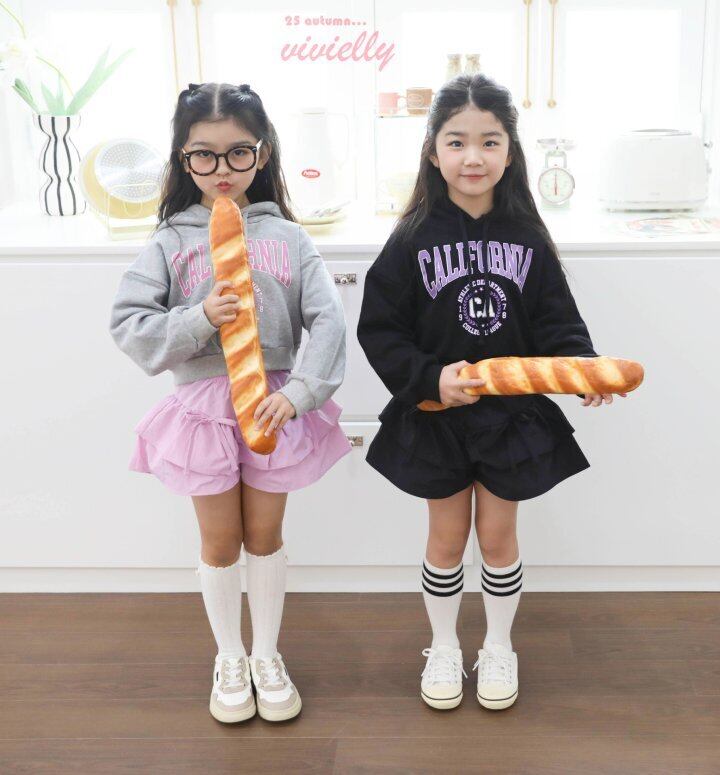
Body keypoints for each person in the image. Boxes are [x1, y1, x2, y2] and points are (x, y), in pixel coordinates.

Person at [357, 74, 627, 712]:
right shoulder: (410, 238)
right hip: (437, 416)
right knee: (447, 541)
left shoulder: (529, 238)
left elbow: (558, 321)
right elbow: (380, 330)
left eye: (489, 141)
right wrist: (432, 379)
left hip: (511, 418)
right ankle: (444, 645)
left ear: (510, 152)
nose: (472, 156)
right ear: (433, 152)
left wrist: (581, 368)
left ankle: (499, 645)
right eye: (456, 142)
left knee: (499, 540)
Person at [110, 82, 351, 724]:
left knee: (265, 536)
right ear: (182, 158)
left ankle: (267, 653)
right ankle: (230, 656)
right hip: (201, 414)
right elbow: (129, 322)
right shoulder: (169, 241)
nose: (222, 169)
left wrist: (300, 392)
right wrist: (198, 318)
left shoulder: (290, 238)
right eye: (204, 155)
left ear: (262, 153)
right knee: (220, 542)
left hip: (273, 406)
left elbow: (328, 320)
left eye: (238, 152)